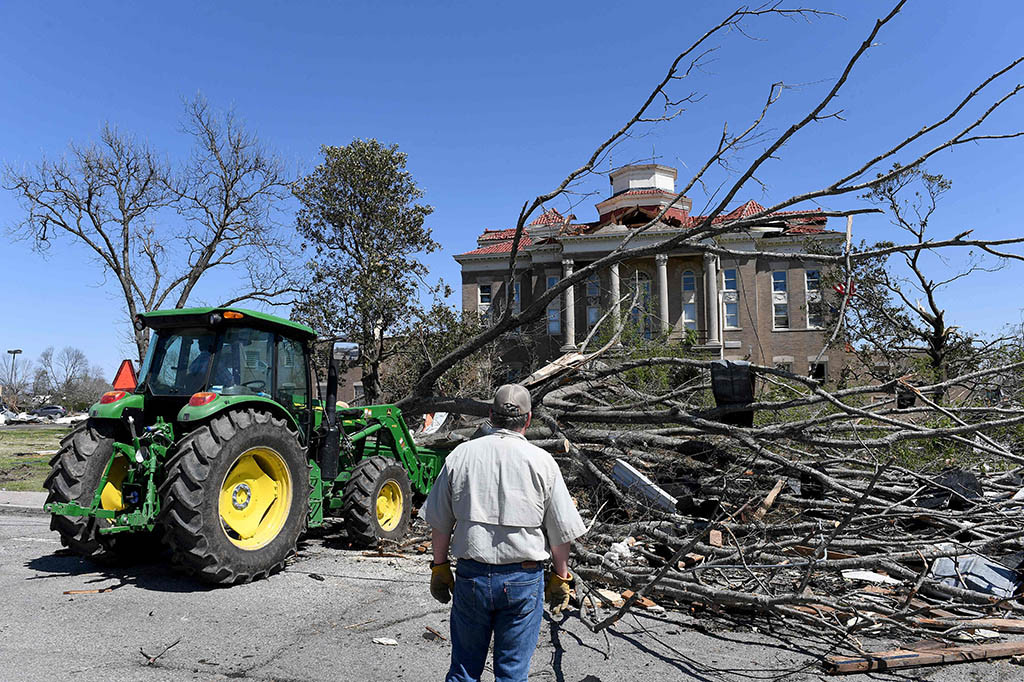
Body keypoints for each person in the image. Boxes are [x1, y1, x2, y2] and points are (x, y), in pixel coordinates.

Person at [421, 384, 587, 682]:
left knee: (463, 672)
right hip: (523, 581)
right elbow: (561, 531)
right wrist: (562, 576)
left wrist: (440, 566)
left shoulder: (461, 456)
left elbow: (440, 522)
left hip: (471, 577)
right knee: (511, 674)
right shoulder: (542, 462)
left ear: (489, 415)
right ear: (528, 419)